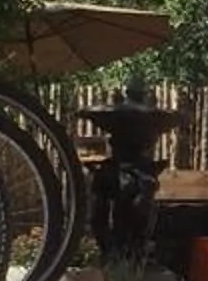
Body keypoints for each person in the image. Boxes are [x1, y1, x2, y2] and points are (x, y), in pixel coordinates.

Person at [77, 84, 184, 262]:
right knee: (107, 204)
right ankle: (113, 250)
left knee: (139, 202)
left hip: (135, 173)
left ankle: (130, 250)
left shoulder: (138, 176)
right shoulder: (113, 174)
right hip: (127, 172)